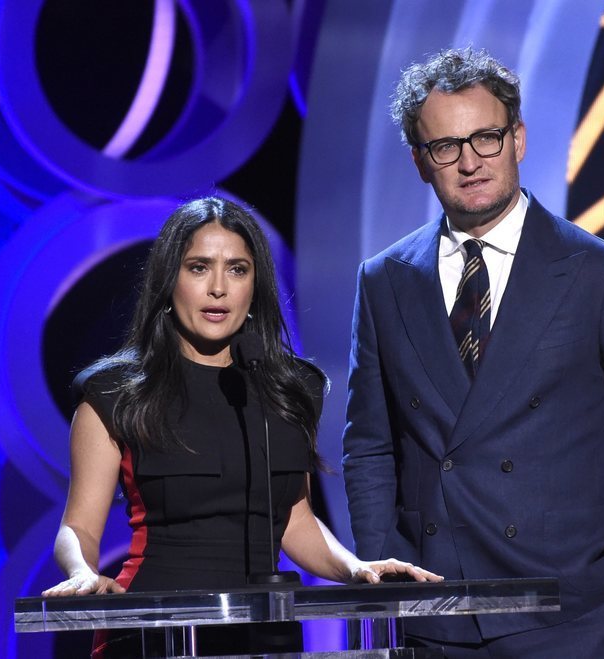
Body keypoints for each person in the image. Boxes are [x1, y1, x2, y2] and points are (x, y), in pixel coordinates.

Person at [342, 48, 604, 657]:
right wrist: (386, 570)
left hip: (572, 612)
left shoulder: (600, 274)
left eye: (487, 137)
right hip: (436, 612)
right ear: (421, 162)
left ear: (519, 139)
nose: (470, 161)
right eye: (446, 146)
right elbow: (369, 444)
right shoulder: (385, 280)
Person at [42, 197, 441, 658]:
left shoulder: (292, 389)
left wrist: (357, 568)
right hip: (153, 632)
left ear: (256, 284)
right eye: (198, 268)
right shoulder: (116, 393)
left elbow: (295, 519)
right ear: (169, 280)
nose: (218, 288)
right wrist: (81, 571)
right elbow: (79, 527)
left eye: (236, 269)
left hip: (264, 633)